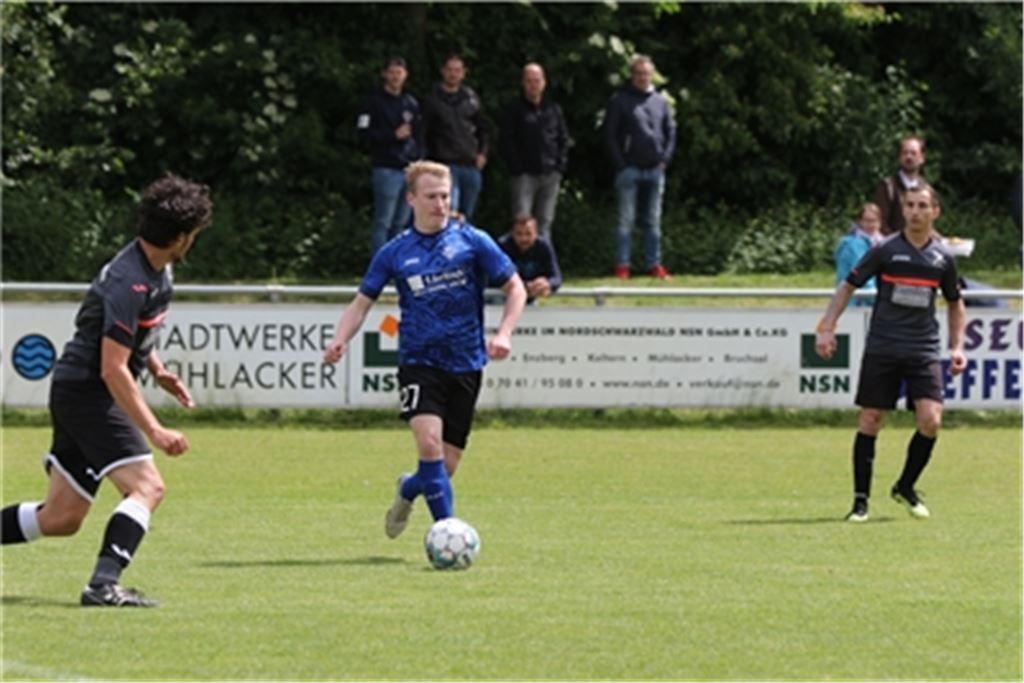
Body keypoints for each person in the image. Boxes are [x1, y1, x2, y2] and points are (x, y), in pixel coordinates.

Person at [0, 174, 213, 607]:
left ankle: (102, 582)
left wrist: (157, 368)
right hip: (89, 391)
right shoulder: (128, 282)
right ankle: (103, 585)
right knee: (148, 487)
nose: (192, 241)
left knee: (61, 517)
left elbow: (133, 341)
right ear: (179, 237)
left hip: (78, 388)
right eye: (192, 234)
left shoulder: (158, 269)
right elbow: (113, 369)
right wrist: (156, 430)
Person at [323, 160, 526, 539]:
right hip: (419, 362)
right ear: (411, 198)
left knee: (443, 467)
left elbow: (516, 287)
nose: (440, 203)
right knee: (429, 444)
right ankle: (446, 534)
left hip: (466, 363)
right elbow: (361, 302)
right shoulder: (395, 252)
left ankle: (408, 488)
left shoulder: (472, 241)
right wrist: (340, 339)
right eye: (431, 196)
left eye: (445, 195)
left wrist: (505, 333)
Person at [815, 183, 966, 523]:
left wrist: (957, 346)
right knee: (871, 420)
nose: (914, 211)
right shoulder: (885, 250)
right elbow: (848, 286)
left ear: (934, 212)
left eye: (922, 205)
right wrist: (827, 326)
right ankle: (860, 502)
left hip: (922, 348)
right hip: (883, 345)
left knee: (931, 420)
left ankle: (906, 486)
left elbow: (956, 304)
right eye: (910, 205)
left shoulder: (942, 258)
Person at [604, 54, 676, 281]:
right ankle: (623, 266)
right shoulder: (620, 101)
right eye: (639, 73)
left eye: (646, 73)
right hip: (629, 169)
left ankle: (654, 264)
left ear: (652, 75)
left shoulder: (660, 101)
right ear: (632, 76)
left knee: (653, 221)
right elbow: (610, 135)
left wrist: (665, 159)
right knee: (626, 220)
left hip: (655, 168)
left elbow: (670, 132)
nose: (643, 77)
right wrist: (621, 163)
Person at [357, 56, 423, 255]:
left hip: (408, 168)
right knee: (384, 221)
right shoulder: (372, 102)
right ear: (384, 74)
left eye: (399, 73)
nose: (396, 77)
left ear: (406, 75)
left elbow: (419, 135)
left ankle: (397, 264)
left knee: (402, 223)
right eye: (392, 72)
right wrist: (391, 136)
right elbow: (363, 135)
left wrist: (418, 158)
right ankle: (380, 267)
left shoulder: (411, 102)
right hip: (385, 167)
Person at [499, 63, 570, 243]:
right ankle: (521, 266)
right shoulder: (514, 109)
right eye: (529, 81)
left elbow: (563, 138)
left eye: (537, 80)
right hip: (524, 175)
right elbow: (507, 140)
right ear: (523, 83)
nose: (533, 85)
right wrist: (516, 167)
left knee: (545, 222)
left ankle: (545, 265)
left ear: (544, 83)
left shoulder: (553, 109)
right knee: (521, 221)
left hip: (550, 174)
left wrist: (559, 166)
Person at [422, 54, 489, 220]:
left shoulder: (471, 98)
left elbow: (483, 128)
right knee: (449, 212)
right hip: (445, 164)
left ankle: (464, 246)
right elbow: (423, 133)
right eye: (450, 70)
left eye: (457, 70)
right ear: (443, 71)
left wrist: (483, 153)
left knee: (468, 216)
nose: (453, 74)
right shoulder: (432, 99)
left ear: (463, 73)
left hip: (471, 164)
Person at [497, 214, 562, 303]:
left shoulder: (543, 246)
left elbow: (556, 277)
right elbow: (495, 278)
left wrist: (547, 283)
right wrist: (525, 285)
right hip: (502, 296)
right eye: (519, 234)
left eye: (528, 234)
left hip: (531, 295)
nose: (524, 238)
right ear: (512, 233)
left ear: (536, 233)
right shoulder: (502, 246)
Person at [872, 135, 928, 235]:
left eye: (913, 153)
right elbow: (879, 224)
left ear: (922, 158)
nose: (909, 157)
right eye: (905, 153)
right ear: (899, 157)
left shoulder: (926, 189)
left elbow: (928, 224)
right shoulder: (887, 187)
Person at [834, 202, 883, 306]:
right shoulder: (852, 245)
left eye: (874, 220)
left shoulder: (881, 243)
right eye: (867, 220)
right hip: (854, 302)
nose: (871, 224)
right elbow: (862, 275)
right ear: (860, 221)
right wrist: (878, 300)